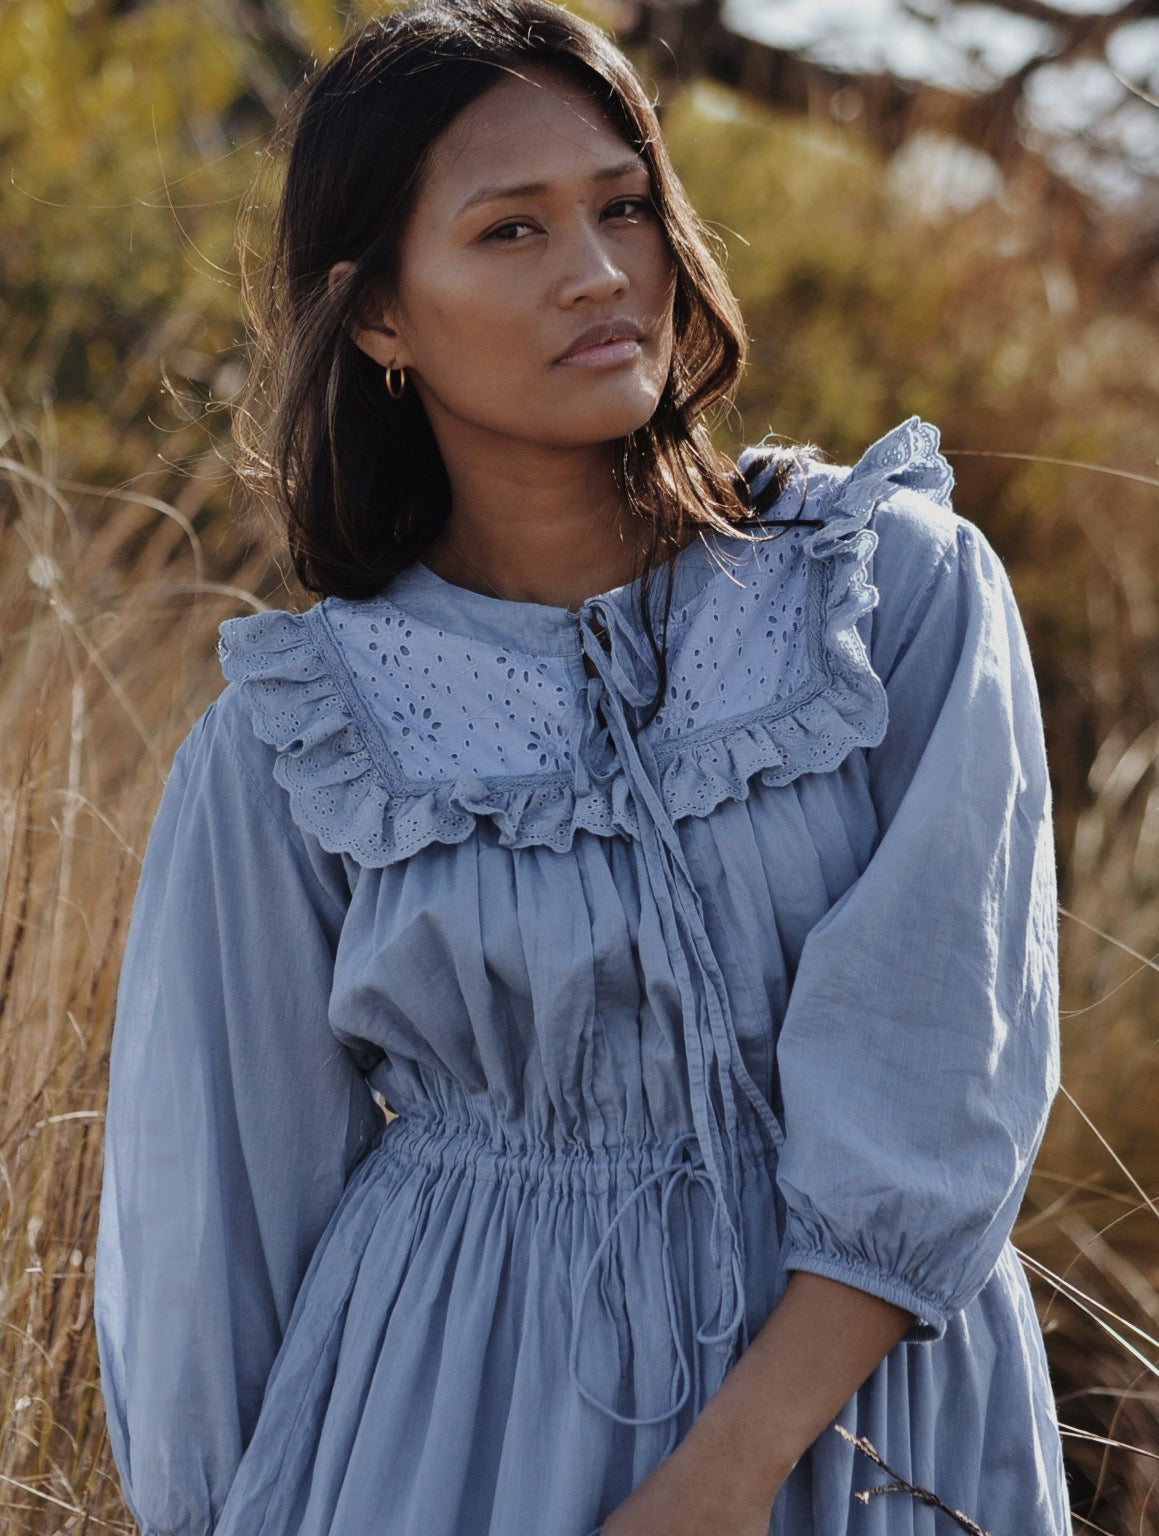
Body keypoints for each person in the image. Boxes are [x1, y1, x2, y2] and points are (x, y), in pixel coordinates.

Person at [94, 1, 1072, 1532]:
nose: (600, 271)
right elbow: (207, 1238)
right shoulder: (303, 743)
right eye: (511, 230)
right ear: (378, 317)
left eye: (624, 204)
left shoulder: (888, 595)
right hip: (442, 1436)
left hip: (866, 1422)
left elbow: (947, 1070)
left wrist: (732, 1470)